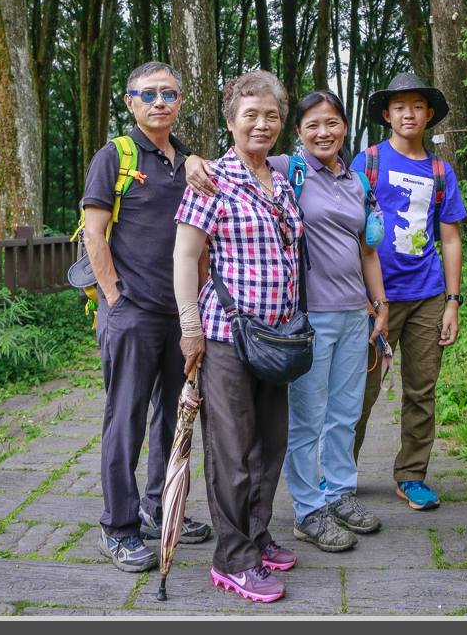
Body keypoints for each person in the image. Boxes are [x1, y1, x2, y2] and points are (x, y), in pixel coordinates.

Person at [186, 90, 389, 552]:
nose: (324, 132)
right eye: (312, 124)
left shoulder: (357, 181)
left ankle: (340, 494)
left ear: (345, 127)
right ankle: (308, 510)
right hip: (307, 317)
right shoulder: (287, 170)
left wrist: (380, 304)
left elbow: (367, 250)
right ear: (297, 131)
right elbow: (236, 157)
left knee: (346, 413)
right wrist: (191, 160)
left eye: (332, 123)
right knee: (307, 418)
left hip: (354, 314)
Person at [173, 70, 304, 604]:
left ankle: (256, 534)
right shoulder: (212, 179)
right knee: (232, 449)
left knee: (270, 444)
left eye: (271, 115)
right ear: (231, 121)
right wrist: (190, 329)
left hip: (277, 337)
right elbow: (184, 257)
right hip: (226, 335)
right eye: (251, 115)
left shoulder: (282, 181)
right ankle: (233, 559)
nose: (262, 124)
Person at [82, 61, 211, 574]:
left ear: (180, 101)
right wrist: (115, 299)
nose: (160, 102)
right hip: (131, 313)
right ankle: (118, 528)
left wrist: (196, 308)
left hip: (179, 315)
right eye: (149, 93)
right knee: (126, 421)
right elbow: (94, 234)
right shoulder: (115, 155)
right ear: (130, 101)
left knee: (173, 418)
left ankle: (158, 509)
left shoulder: (187, 162)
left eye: (170, 93)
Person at [350, 72, 467, 511]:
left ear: (429, 114)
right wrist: (361, 294)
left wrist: (452, 302)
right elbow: (349, 228)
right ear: (387, 115)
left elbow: (450, 239)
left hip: (427, 296)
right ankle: (339, 474)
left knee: (421, 390)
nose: (409, 114)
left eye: (417, 106)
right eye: (399, 107)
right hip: (375, 296)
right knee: (359, 389)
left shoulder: (440, 171)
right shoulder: (368, 162)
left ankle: (412, 475)